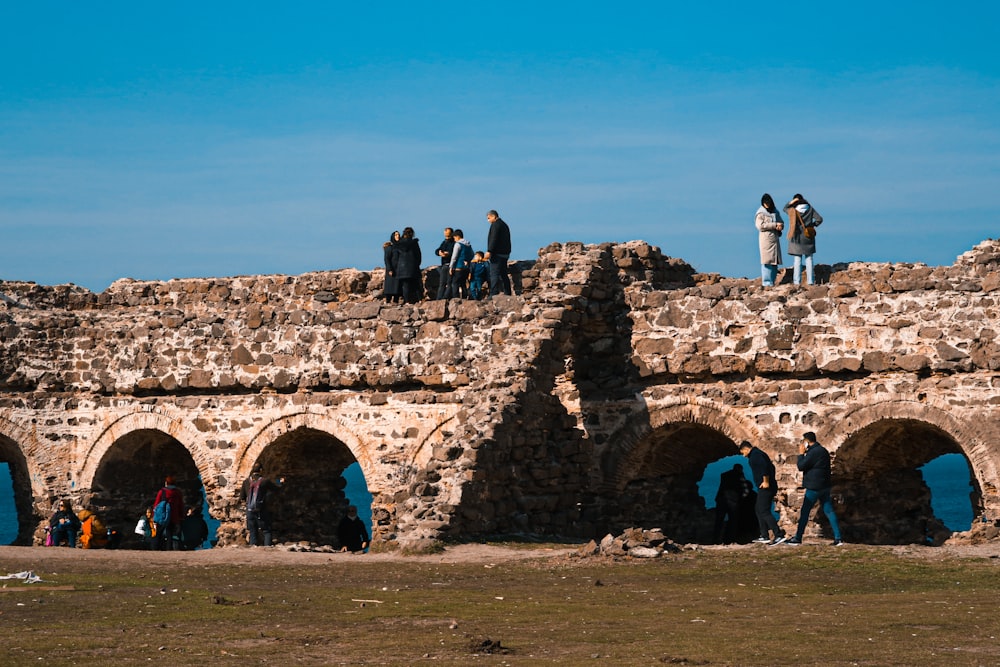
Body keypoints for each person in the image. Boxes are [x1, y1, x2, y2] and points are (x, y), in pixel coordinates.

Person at [786, 432, 843, 546]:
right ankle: (838, 538)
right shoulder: (823, 450)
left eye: (804, 442)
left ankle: (798, 537)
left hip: (814, 487)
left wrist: (801, 454)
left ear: (807, 441)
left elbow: (801, 466)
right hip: (825, 486)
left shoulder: (813, 452)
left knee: (805, 512)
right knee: (829, 511)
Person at [739, 440, 787, 545]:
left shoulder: (756, 455)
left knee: (764, 511)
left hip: (766, 487)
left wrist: (766, 481)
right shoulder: (757, 454)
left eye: (742, 452)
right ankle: (764, 535)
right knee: (758, 509)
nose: (743, 455)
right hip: (765, 487)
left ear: (746, 449)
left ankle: (778, 534)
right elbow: (772, 467)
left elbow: (764, 467)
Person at [785, 194, 823, 286]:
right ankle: (810, 281)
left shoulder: (792, 210)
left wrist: (791, 202)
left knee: (797, 260)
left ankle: (797, 282)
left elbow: (785, 208)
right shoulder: (810, 208)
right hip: (808, 236)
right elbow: (819, 219)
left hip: (796, 237)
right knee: (809, 259)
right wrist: (812, 225)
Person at [243, 468, 285, 546]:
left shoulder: (246, 482)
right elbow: (276, 489)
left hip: (250, 511)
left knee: (253, 531)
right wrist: (281, 483)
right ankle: (267, 549)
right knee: (267, 530)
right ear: (261, 470)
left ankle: (253, 549)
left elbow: (242, 497)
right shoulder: (265, 481)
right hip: (261, 510)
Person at [755, 194, 784, 287]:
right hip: (766, 239)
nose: (766, 205)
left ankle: (772, 281)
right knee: (766, 261)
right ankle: (766, 283)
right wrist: (774, 225)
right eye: (765, 203)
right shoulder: (760, 213)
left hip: (775, 239)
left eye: (768, 203)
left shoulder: (775, 211)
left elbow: (781, 222)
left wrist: (780, 226)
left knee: (775, 262)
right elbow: (760, 226)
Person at [391, 226, 423, 304]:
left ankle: (407, 301)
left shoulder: (398, 244)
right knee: (416, 284)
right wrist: (417, 264)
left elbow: (395, 258)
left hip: (402, 268)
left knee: (405, 285)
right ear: (412, 234)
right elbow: (418, 255)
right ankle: (420, 300)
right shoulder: (414, 243)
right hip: (413, 266)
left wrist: (395, 267)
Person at [714, 464, 745, 544]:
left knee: (719, 520)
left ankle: (716, 539)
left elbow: (721, 487)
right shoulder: (740, 475)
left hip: (721, 499)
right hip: (733, 501)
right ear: (740, 469)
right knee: (733, 521)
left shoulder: (724, 475)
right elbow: (745, 489)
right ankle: (730, 540)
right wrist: (742, 498)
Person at [153, 476, 185, 551]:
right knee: (170, 534)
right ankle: (169, 549)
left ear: (166, 483)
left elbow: (156, 505)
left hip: (162, 515)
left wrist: (154, 516)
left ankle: (156, 548)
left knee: (158, 533)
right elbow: (181, 505)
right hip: (173, 516)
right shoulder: (177, 492)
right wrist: (181, 516)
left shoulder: (162, 492)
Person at [484, 210, 512, 296]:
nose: (488, 220)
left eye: (488, 218)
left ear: (493, 216)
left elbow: (494, 238)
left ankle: (493, 294)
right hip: (505, 253)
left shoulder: (495, 225)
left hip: (497, 254)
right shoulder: (504, 224)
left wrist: (489, 251)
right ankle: (508, 292)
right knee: (503, 274)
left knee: (494, 273)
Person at [448, 228, 474, 299]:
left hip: (458, 267)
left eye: (454, 237)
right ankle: (465, 298)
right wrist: (467, 261)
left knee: (455, 283)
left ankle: (455, 298)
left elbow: (454, 256)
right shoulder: (468, 245)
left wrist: (451, 267)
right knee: (463, 284)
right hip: (466, 268)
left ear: (457, 236)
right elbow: (472, 255)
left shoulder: (458, 244)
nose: (454, 239)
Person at [435, 227, 455, 300]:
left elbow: (454, 252)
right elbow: (437, 250)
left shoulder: (453, 242)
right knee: (442, 283)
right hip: (444, 264)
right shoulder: (444, 242)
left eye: (447, 231)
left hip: (450, 264)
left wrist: (448, 253)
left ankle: (445, 297)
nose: (445, 232)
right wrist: (439, 253)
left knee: (449, 283)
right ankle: (439, 298)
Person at [382, 231, 402, 303]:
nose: (398, 236)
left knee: (397, 287)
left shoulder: (401, 247)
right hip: (392, 269)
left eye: (398, 235)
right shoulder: (389, 248)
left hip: (399, 269)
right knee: (390, 287)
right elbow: (387, 259)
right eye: (396, 235)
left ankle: (396, 301)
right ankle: (388, 301)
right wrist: (389, 269)